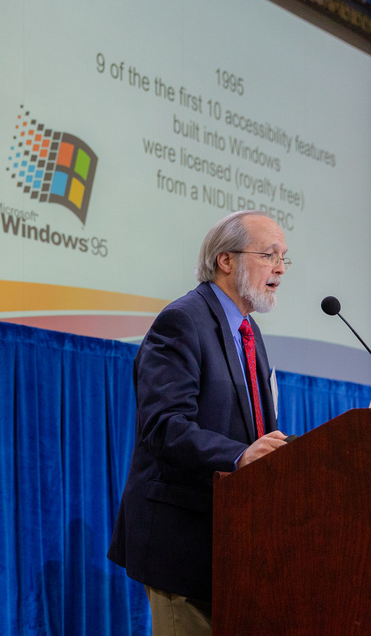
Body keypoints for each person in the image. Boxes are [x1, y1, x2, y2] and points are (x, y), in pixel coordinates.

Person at [108, 210, 290, 636]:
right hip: (182, 545)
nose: (280, 267)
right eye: (269, 254)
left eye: (285, 258)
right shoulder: (182, 321)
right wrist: (241, 454)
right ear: (225, 261)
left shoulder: (249, 332)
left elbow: (256, 430)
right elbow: (164, 427)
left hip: (231, 544)